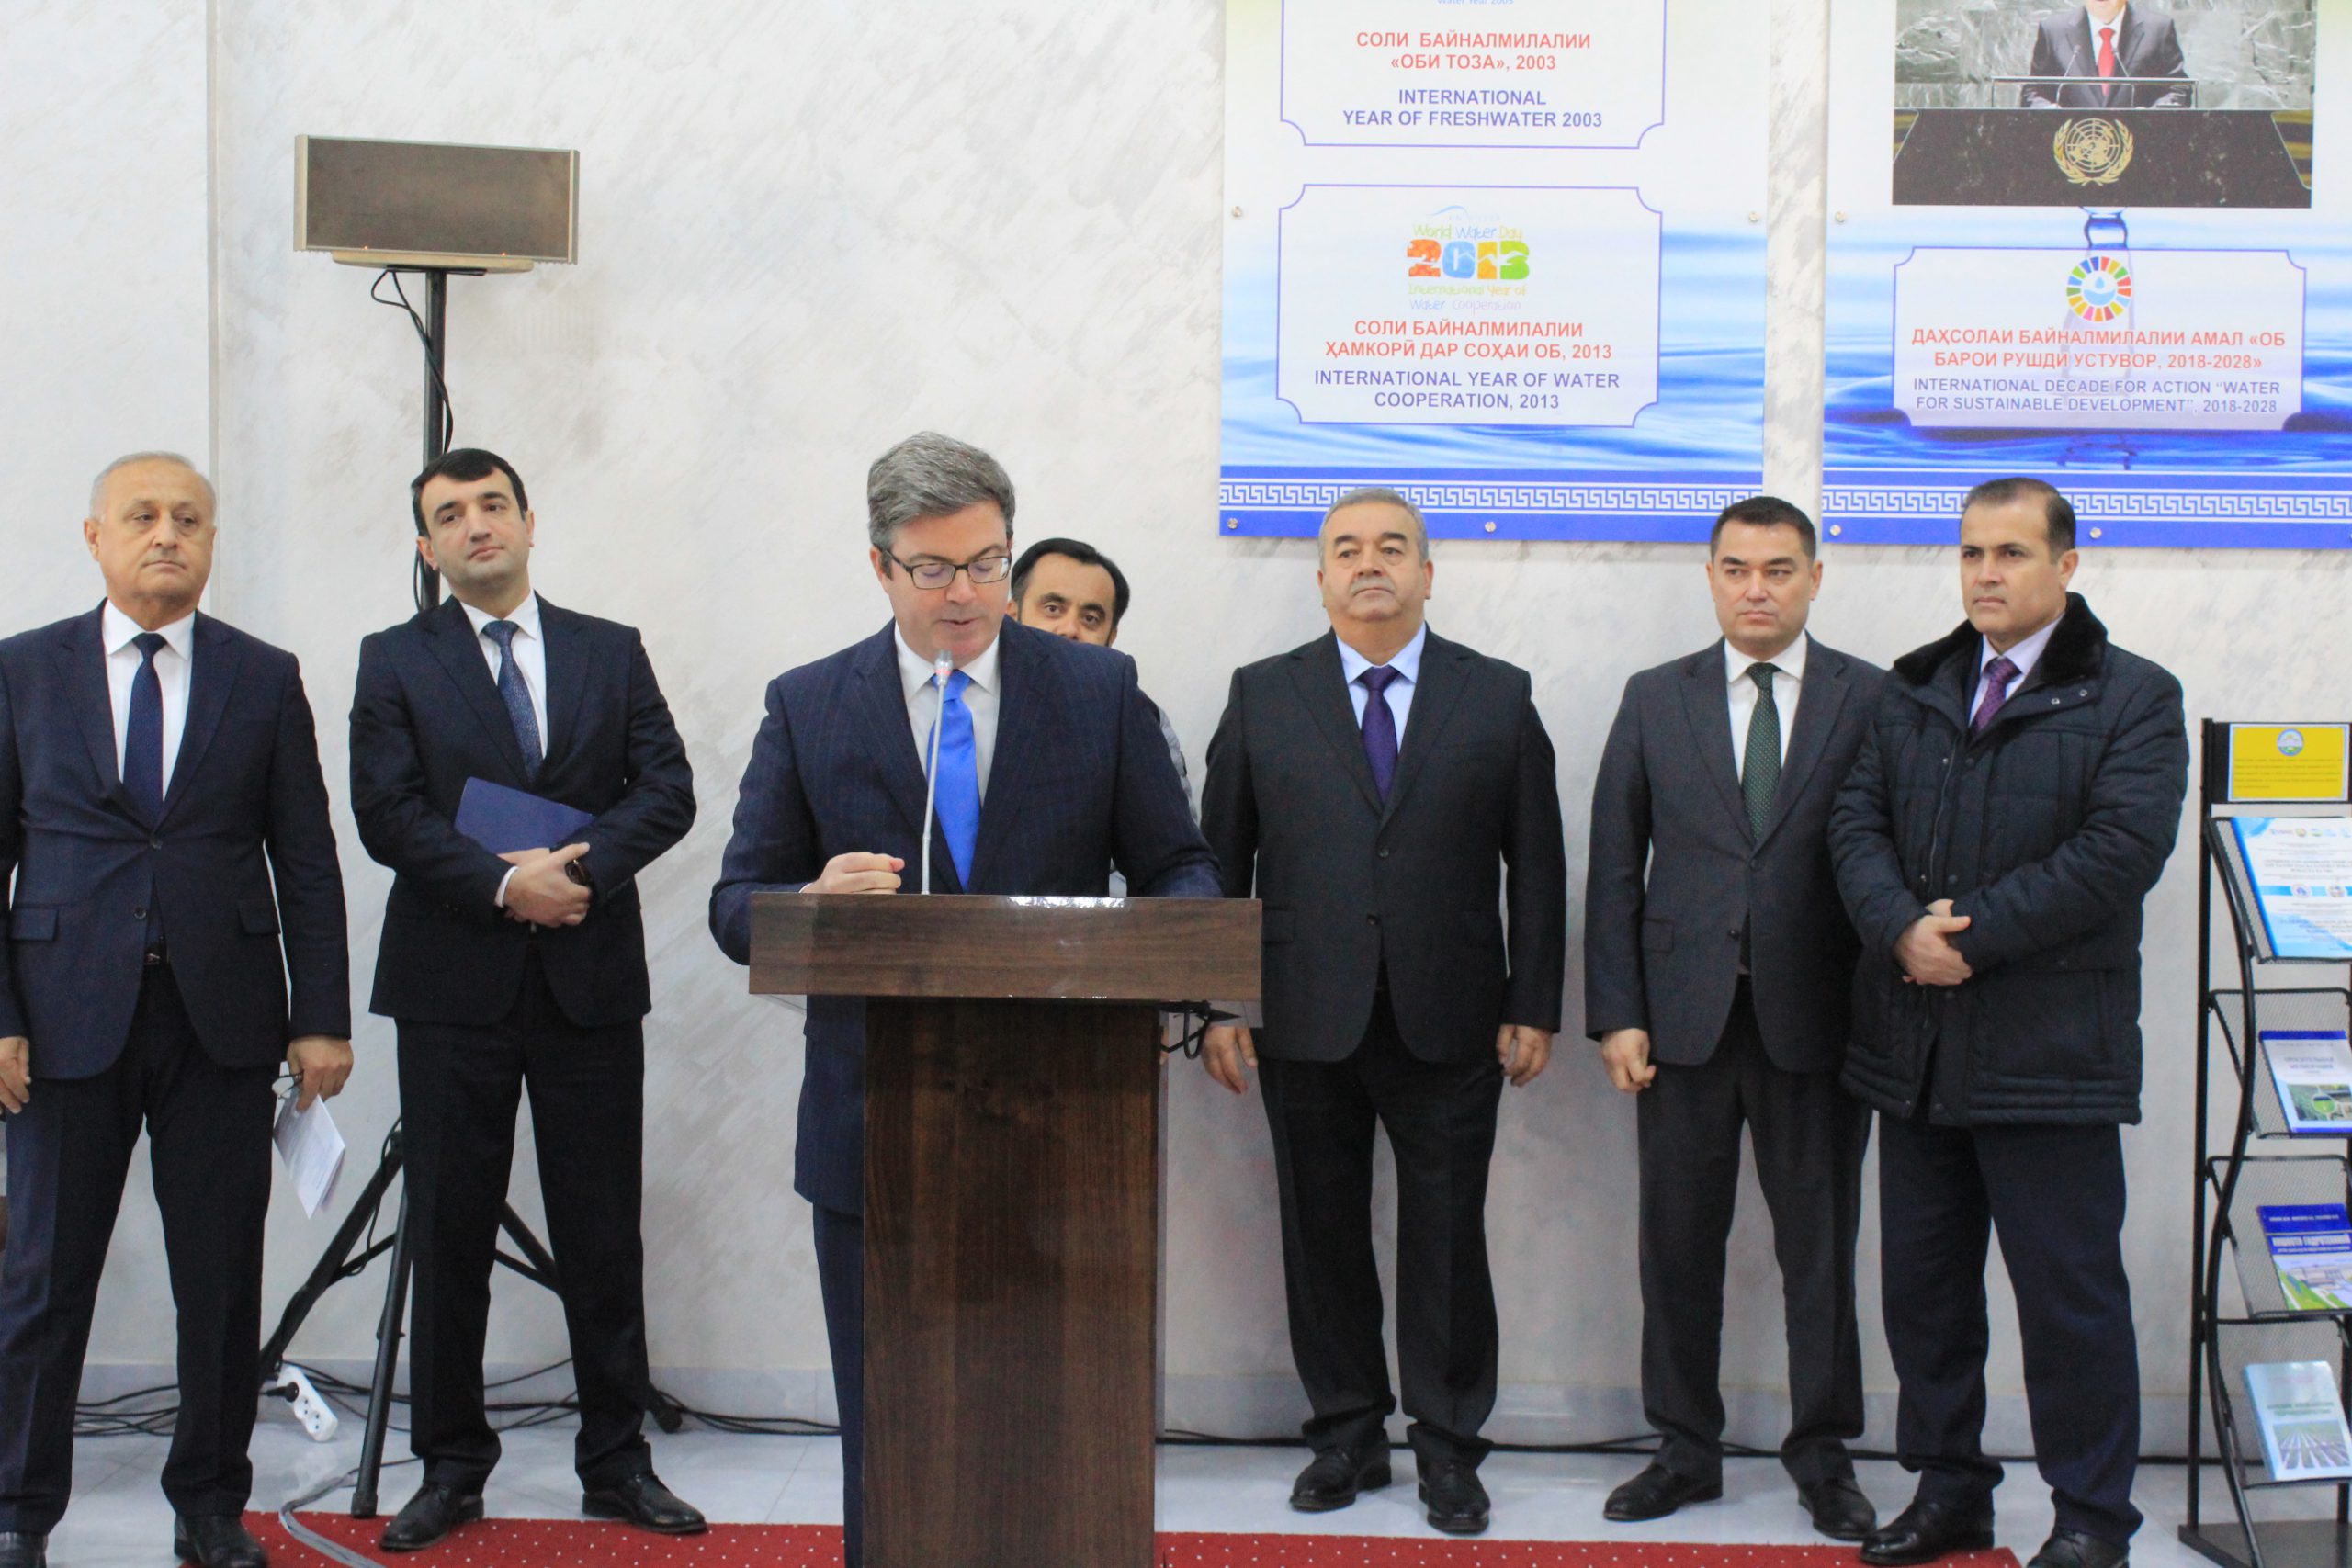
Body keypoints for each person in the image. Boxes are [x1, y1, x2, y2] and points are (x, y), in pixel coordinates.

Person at [708, 431, 1216, 1568]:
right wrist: (806, 903)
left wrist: (1155, 944)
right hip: (874, 1127)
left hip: (1069, 1127)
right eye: (933, 569)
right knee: (895, 1434)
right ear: (879, 566)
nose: (964, 595)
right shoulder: (810, 702)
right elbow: (736, 903)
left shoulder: (1098, 689)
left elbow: (1181, 866)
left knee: (1056, 1426)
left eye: (987, 564)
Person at [0, 453, 352, 1568]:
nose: (167, 535)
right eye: (143, 516)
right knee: (42, 1279)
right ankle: (17, 1512)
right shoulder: (21, 670)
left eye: (189, 519)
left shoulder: (263, 676)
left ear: (210, 541)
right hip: (60, 1021)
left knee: (220, 1280)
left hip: (223, 1024)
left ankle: (207, 1507)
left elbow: (306, 858)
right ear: (94, 537)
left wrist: (322, 1014)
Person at [349, 448, 703, 1551]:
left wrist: (576, 873)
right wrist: (506, 885)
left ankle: (617, 1462)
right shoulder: (393, 659)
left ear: (529, 520)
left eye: (493, 504)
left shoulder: (609, 649)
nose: (477, 526)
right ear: (427, 547)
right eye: (450, 514)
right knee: (448, 1232)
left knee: (602, 1235)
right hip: (451, 985)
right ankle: (452, 1468)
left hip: (588, 978)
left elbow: (668, 790)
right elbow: (386, 813)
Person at [1829, 478, 2188, 1568]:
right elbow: (1854, 821)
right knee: (1926, 1296)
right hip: (1916, 1052)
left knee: (2068, 1301)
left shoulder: (2133, 695)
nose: (1985, 573)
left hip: (2050, 1057)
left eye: (2012, 553)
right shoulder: (1915, 687)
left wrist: (1966, 939)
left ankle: (2091, 1519)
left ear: (2065, 565)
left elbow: (2118, 853)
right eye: (1971, 553)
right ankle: (1950, 1492)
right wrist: (1898, 929)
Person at [1198, 487, 1566, 1538]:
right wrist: (1219, 1001)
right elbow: (1220, 860)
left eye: (1392, 547)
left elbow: (1538, 863)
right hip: (1300, 1015)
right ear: (1320, 577)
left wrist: (1533, 1002)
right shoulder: (1262, 694)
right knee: (1320, 1234)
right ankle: (1346, 1437)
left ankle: (1448, 1449)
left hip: (1453, 1016)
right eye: (1348, 549)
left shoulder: (1496, 695)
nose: (1371, 564)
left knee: (1446, 1243)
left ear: (1427, 573)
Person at [1585, 497, 1883, 1540]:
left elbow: (1890, 857)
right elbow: (1613, 865)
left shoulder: (1871, 698)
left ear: (1814, 578)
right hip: (1680, 1026)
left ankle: (1825, 1456)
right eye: (1737, 569)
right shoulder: (1653, 696)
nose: (1757, 589)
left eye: (1778, 569)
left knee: (1821, 1253)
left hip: (1822, 1024)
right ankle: (1683, 1448)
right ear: (1710, 576)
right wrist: (1616, 1013)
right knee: (1676, 1247)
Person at [1009, 536, 1192, 809]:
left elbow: (1170, 829)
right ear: (1011, 616)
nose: (1070, 629)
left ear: (1111, 637)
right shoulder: (971, 702)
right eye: (1052, 609)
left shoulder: (1136, 718)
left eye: (1090, 619)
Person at [2021, 1, 2190, 109]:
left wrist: (2152, 116)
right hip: (2072, 145)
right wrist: (2049, 113)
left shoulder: (2158, 29)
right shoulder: (2053, 30)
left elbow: (2178, 88)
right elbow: (2033, 92)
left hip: (2141, 144)